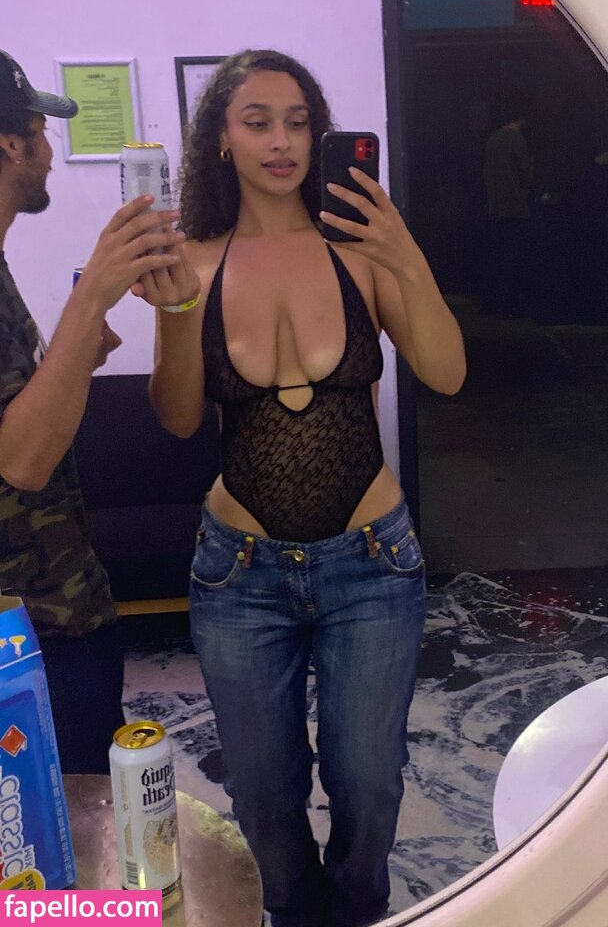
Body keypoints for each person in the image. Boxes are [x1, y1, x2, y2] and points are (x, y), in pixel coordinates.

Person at [139, 49, 466, 927]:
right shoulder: (192, 261)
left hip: (372, 562)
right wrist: (173, 312)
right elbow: (178, 418)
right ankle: (290, 913)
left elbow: (447, 373)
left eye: (297, 122)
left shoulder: (359, 252)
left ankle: (357, 911)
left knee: (369, 779)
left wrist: (405, 255)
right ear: (221, 139)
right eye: (257, 122)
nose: (281, 141)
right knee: (262, 790)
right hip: (239, 572)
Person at [0, 49, 185, 773]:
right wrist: (91, 297)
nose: (50, 152)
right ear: (10, 144)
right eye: (40, 133)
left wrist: (77, 353)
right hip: (27, 631)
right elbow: (23, 460)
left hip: (59, 609)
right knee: (58, 823)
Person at [482, 113, 534, 316]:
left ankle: (493, 303)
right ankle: (510, 305)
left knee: (497, 257)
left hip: (494, 207)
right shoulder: (516, 139)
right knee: (514, 258)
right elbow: (525, 170)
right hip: (515, 207)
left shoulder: (493, 139)